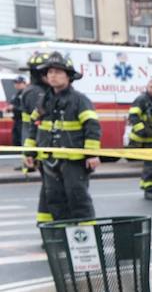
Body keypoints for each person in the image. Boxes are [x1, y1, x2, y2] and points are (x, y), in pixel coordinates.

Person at [33, 52, 101, 221]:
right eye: (49, 72)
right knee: (54, 200)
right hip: (49, 160)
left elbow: (92, 126)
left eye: (57, 72)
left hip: (73, 161)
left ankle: (86, 239)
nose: (52, 76)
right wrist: (29, 153)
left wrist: (92, 154)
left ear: (69, 76)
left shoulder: (79, 100)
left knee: (78, 198)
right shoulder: (44, 101)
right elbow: (33, 126)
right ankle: (60, 238)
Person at [18, 54, 53, 226]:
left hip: (42, 147)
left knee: (50, 190)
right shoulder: (35, 92)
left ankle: (48, 225)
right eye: (49, 71)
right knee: (50, 191)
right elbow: (39, 123)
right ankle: (48, 227)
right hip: (40, 148)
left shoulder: (39, 90)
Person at [9, 74, 26, 169]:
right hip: (17, 121)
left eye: (19, 83)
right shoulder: (16, 94)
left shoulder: (26, 94)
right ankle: (23, 163)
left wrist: (14, 108)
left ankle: (27, 164)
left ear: (24, 83)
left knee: (23, 142)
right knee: (17, 142)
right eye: (15, 83)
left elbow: (26, 109)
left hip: (23, 122)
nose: (17, 85)